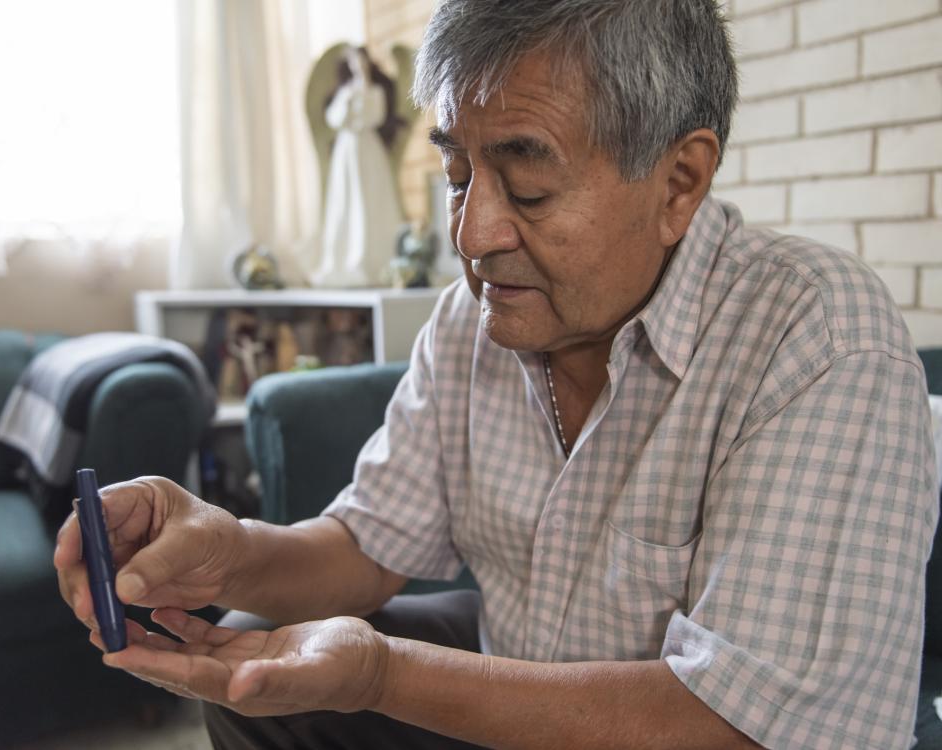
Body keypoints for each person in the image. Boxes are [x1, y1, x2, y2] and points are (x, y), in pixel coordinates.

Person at [55, 1, 939, 748]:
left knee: (336, 670)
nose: (473, 235)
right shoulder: (471, 321)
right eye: (455, 173)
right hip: (519, 684)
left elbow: (745, 724)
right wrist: (225, 550)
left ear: (679, 183)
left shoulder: (815, 335)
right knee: (265, 663)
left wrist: (382, 674)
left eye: (527, 186)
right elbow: (367, 546)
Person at [310, 45, 406, 288]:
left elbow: (375, 117)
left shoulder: (375, 91)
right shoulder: (344, 93)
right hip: (347, 152)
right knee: (347, 202)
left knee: (372, 201)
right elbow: (334, 119)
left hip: (369, 149)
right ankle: (346, 261)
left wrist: (363, 88)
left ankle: (376, 263)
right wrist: (350, 97)